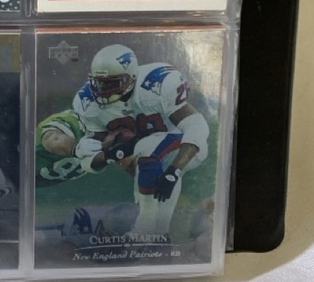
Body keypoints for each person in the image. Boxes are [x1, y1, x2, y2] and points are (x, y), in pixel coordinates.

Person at [67, 43, 210, 239]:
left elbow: (197, 125)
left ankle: (146, 230)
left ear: (132, 77)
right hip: (140, 154)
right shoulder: (87, 101)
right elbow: (101, 152)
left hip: (185, 145)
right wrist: (103, 155)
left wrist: (175, 170)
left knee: (148, 147)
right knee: (96, 157)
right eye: (99, 83)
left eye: (112, 83)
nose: (104, 90)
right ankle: (159, 237)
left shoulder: (157, 84)